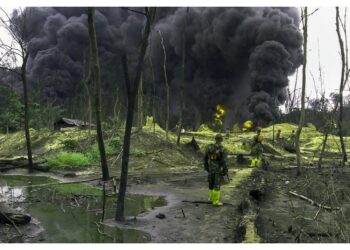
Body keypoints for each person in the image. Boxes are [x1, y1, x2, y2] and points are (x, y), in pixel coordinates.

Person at [204, 134, 228, 206]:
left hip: (210, 169)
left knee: (210, 184)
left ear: (215, 139)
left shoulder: (209, 147)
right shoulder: (223, 149)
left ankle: (211, 198)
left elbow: (205, 158)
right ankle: (215, 201)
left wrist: (206, 167)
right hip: (218, 170)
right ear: (221, 140)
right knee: (217, 185)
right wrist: (225, 170)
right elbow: (224, 161)